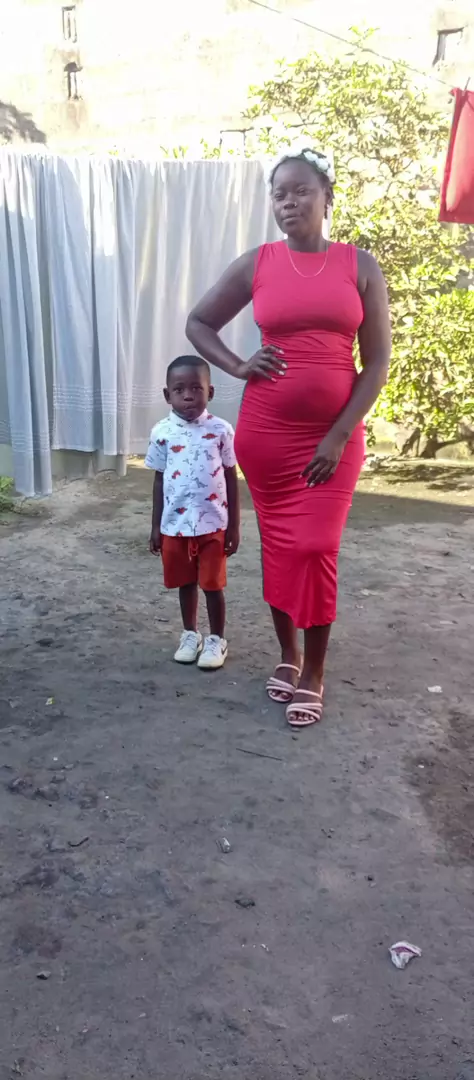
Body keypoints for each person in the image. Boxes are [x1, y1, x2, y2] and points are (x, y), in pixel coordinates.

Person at [186, 145, 391, 724]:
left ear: (327, 197)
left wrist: (339, 435)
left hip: (333, 438)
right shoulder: (258, 263)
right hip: (267, 436)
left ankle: (315, 672)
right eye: (279, 194)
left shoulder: (360, 266)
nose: (289, 202)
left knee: (316, 547)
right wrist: (236, 365)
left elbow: (377, 362)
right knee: (279, 547)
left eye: (302, 190)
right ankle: (288, 655)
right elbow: (198, 322)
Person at [145, 355, 240, 670]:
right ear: (167, 395)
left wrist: (234, 526)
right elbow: (159, 481)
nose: (188, 396)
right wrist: (156, 527)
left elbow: (231, 478)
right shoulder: (161, 432)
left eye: (196, 389)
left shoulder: (221, 430)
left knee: (212, 585)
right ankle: (190, 635)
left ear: (210, 392)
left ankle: (216, 639)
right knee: (185, 582)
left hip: (214, 524)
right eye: (179, 389)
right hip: (175, 525)